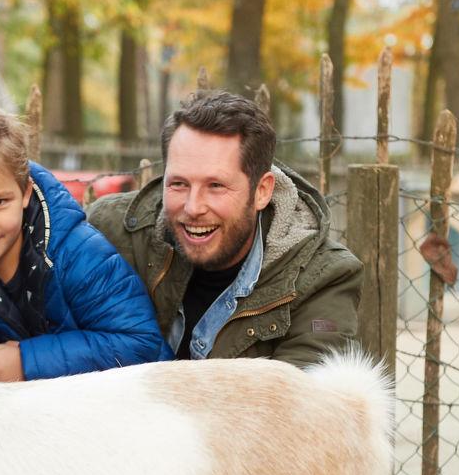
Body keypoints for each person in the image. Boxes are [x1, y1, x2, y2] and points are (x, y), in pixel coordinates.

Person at [0, 107, 169, 390]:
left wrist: (27, 361)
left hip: (141, 400)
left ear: (25, 192)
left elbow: (139, 341)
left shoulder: (76, 253)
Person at [86, 89, 363, 367]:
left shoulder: (323, 280)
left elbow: (299, 402)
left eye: (216, 186)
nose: (193, 207)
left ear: (262, 191)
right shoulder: (110, 232)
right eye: (179, 184)